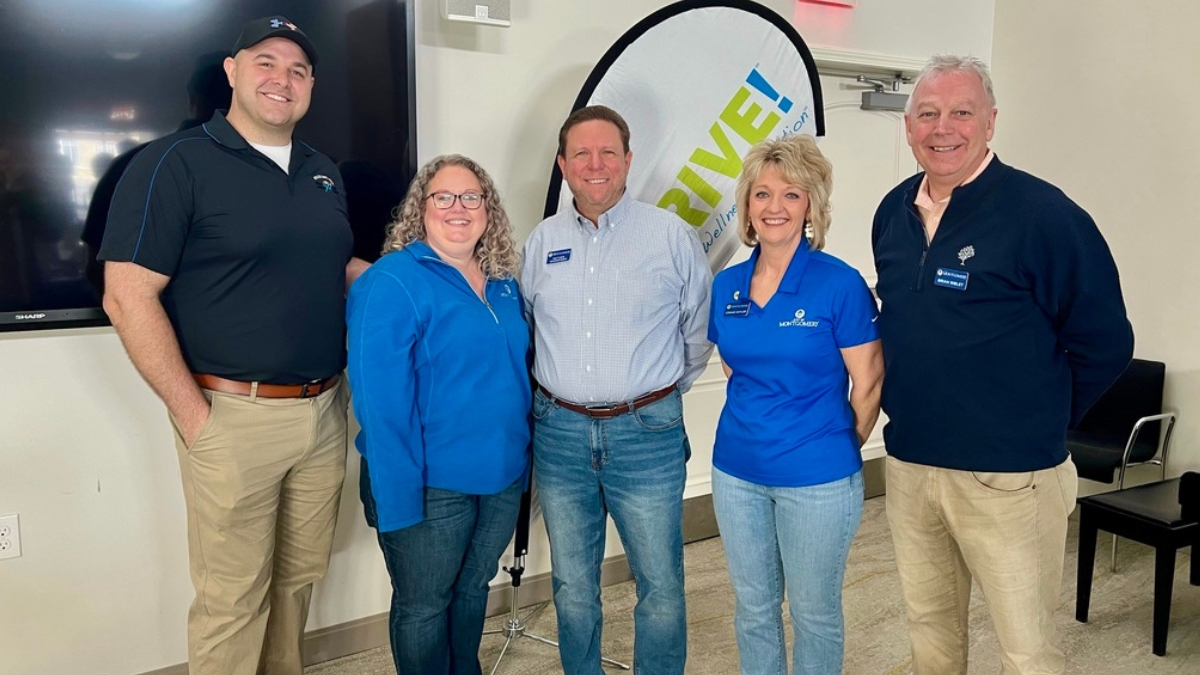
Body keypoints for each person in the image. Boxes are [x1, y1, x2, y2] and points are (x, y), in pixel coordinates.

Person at [99, 17, 369, 674]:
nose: (283, 79)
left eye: (299, 69)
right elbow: (126, 295)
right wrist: (196, 418)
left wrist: (433, 280)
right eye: (266, 62)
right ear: (232, 71)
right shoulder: (173, 163)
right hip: (231, 418)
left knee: (297, 582)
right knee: (232, 601)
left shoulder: (321, 171)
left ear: (311, 87)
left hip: (324, 411)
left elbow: (333, 269)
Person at [871, 54, 1133, 675]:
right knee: (930, 635)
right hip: (910, 464)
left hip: (1010, 478)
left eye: (961, 112)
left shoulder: (1043, 215)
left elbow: (1105, 341)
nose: (944, 128)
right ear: (908, 128)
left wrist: (1035, 420)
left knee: (1027, 652)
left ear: (991, 123)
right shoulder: (892, 211)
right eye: (928, 114)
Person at [522, 105, 713, 675]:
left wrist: (647, 397)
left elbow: (698, 335)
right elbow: (531, 328)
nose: (595, 164)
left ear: (629, 161)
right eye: (581, 153)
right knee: (573, 585)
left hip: (646, 435)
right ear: (563, 164)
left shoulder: (671, 237)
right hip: (559, 435)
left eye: (608, 152)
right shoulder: (541, 241)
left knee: (659, 584)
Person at [346, 155, 530, 675]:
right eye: (443, 197)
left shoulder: (502, 283)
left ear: (487, 210)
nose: (458, 208)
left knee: (472, 590)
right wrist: (397, 498)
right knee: (424, 606)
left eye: (471, 197)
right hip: (430, 487)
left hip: (500, 479)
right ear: (420, 210)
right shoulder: (391, 282)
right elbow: (380, 406)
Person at [709, 134, 883, 675]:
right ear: (747, 207)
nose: (775, 207)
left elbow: (869, 382)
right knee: (754, 609)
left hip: (818, 479)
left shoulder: (840, 284)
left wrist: (831, 444)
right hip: (736, 472)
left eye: (791, 194)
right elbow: (735, 365)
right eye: (762, 195)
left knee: (813, 613)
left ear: (811, 205)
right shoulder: (728, 286)